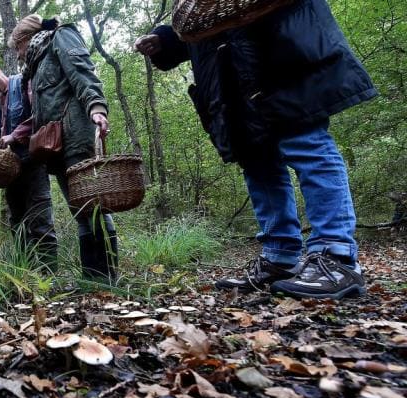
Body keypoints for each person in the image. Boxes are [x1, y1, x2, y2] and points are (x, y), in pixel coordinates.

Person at [135, 0, 377, 300]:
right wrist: (164, 39)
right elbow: (198, 22)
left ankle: (336, 257)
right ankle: (280, 256)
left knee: (306, 144)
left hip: (284, 49)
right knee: (257, 162)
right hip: (227, 76)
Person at [8, 15, 118, 281]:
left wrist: (97, 107)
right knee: (79, 209)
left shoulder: (60, 37)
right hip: (55, 147)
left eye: (18, 48)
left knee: (91, 205)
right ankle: (92, 277)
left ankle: (105, 276)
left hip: (76, 135)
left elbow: (82, 71)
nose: (19, 55)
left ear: (25, 39)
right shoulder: (35, 64)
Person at [0, 59, 58, 268]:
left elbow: (39, 115)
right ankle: (26, 273)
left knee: (41, 221)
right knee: (18, 224)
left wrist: (14, 136)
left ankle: (49, 275)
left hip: (33, 165)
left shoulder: (24, 83)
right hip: (11, 175)